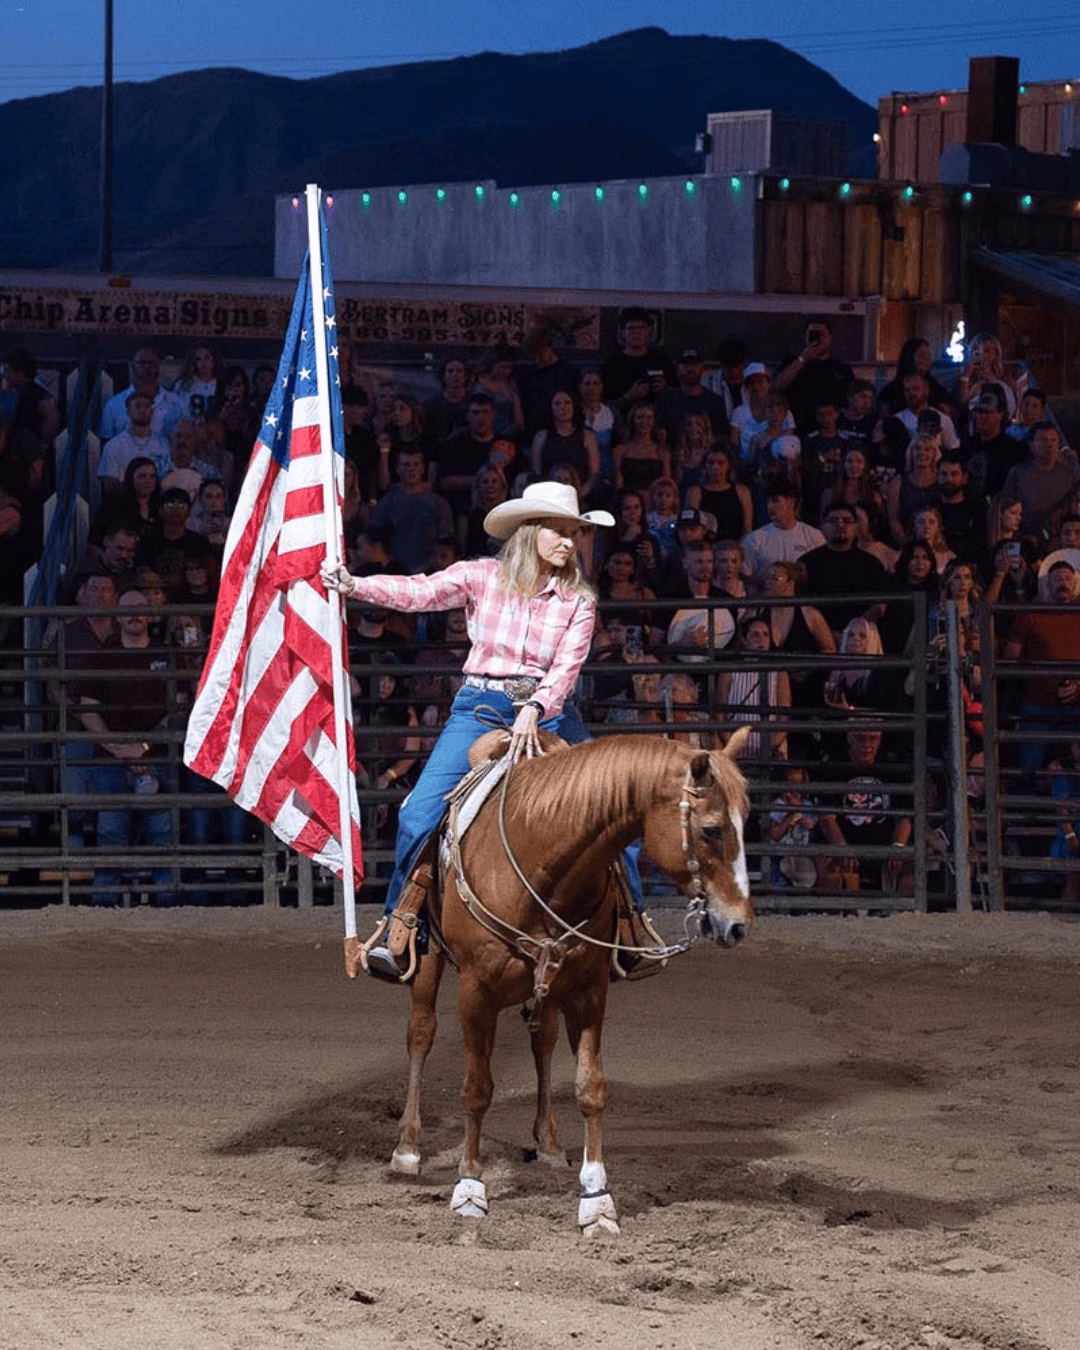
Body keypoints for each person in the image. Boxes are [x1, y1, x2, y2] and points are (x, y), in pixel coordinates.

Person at [321, 480, 621, 981]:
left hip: (550, 710)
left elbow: (567, 668)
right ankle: (402, 926)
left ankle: (626, 929)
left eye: (575, 532)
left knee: (612, 807)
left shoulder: (578, 601)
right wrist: (355, 585)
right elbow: (421, 591)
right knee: (419, 810)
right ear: (530, 532)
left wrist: (539, 705)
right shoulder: (482, 577)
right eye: (559, 530)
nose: (570, 541)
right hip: (482, 704)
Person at [772, 317, 854, 436]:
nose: (817, 339)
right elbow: (777, 386)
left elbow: (850, 401)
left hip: (830, 432)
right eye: (812, 335)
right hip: (798, 428)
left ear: (830, 338)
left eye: (821, 335)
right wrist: (803, 359)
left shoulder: (841, 369)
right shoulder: (792, 363)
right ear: (805, 337)